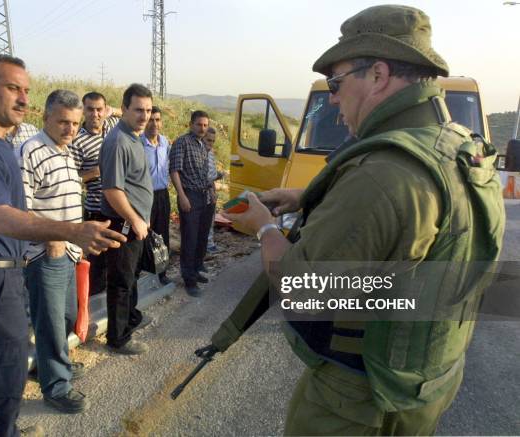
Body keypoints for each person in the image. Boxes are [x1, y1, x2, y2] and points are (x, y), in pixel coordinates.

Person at [212, 5, 504, 435]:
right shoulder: (458, 143)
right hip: (424, 378)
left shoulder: (383, 171)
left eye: (336, 82)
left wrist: (265, 228)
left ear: (379, 75)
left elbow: (300, 291)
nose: (332, 97)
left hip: (362, 399)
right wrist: (303, 196)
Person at [0, 54, 125, 437]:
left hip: (4, 275)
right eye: (12, 88)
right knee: (0, 382)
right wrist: (70, 232)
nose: (23, 98)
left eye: (26, 90)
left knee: (5, 379)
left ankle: (1, 430)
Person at [19, 90, 88, 413]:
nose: (70, 128)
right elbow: (21, 209)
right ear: (45, 117)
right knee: (50, 321)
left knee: (65, 317)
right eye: (62, 121)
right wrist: (52, 238)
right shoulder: (30, 152)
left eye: (75, 123)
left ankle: (51, 365)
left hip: (70, 251)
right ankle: (56, 387)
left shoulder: (66, 151)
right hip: (46, 253)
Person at [100, 83, 154, 355]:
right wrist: (134, 218)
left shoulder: (134, 137)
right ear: (123, 109)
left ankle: (130, 318)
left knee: (132, 276)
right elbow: (112, 190)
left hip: (136, 223)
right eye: (138, 110)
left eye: (147, 110)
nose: (144, 116)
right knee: (121, 282)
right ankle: (118, 337)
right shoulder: (118, 141)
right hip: (123, 224)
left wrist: (142, 217)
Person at [69, 92, 118, 296]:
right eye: (90, 109)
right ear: (83, 111)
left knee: (117, 258)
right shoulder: (77, 141)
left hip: (119, 208)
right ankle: (93, 303)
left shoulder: (112, 125)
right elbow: (73, 179)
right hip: (97, 209)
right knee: (96, 262)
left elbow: (131, 112)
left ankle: (112, 297)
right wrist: (96, 171)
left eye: (99, 109)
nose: (95, 114)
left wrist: (113, 111)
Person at [169, 110, 214, 296]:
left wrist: (211, 191)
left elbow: (205, 173)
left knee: (202, 237)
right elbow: (174, 170)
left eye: (205, 125)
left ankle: (195, 270)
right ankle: (189, 280)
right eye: (199, 124)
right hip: (190, 196)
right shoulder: (182, 142)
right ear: (191, 124)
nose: (202, 128)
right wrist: (182, 196)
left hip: (205, 196)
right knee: (190, 238)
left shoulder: (203, 145)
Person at [141, 106, 172, 284]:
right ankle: (143, 271)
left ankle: (162, 273)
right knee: (144, 235)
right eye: (151, 120)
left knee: (162, 234)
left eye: (157, 120)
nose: (154, 124)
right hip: (145, 197)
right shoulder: (138, 144)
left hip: (163, 195)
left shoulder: (165, 142)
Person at [203, 127, 224, 253]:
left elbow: (211, 173)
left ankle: (209, 244)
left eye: (212, 141)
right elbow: (205, 176)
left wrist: (220, 175)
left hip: (211, 190)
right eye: (208, 140)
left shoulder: (210, 153)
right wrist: (211, 192)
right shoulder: (200, 153)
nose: (210, 144)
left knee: (210, 219)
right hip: (204, 191)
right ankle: (207, 245)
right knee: (205, 219)